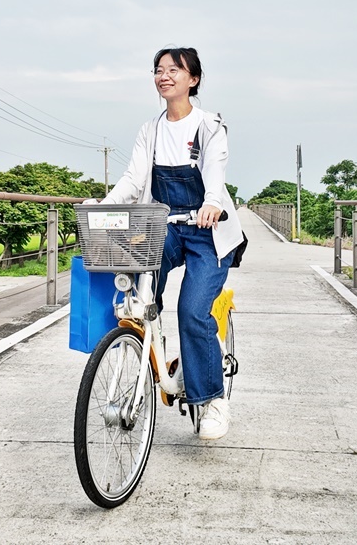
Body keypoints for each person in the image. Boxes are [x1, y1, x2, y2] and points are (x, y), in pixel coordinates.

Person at [98, 46, 245, 440]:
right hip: (167, 225)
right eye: (158, 70)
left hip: (209, 231)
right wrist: (105, 204)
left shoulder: (209, 125)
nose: (164, 76)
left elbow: (215, 168)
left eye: (173, 70)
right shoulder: (151, 129)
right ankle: (150, 347)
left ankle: (213, 399)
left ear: (192, 79)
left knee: (193, 311)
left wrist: (211, 202)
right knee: (138, 288)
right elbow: (133, 179)